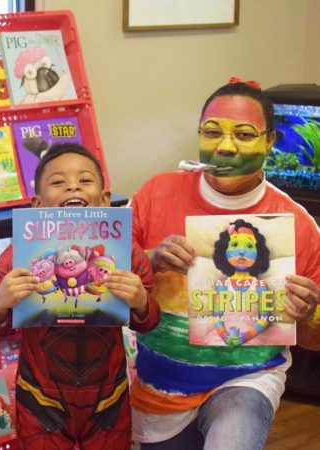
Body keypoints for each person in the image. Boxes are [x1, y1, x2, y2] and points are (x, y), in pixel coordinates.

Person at [129, 80, 320, 449]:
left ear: (270, 141)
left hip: (247, 379)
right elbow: (106, 283)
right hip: (160, 388)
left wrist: (308, 313)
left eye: (245, 135)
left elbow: (314, 341)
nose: (226, 147)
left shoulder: (298, 224)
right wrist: (151, 260)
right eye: (212, 132)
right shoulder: (154, 194)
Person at [0, 143, 161, 448]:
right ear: (37, 204)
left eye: (85, 180)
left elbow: (147, 322)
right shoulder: (16, 259)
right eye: (58, 182)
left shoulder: (127, 256)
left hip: (109, 395)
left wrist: (141, 301)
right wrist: (1, 302)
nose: (73, 186)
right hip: (40, 395)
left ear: (104, 199)